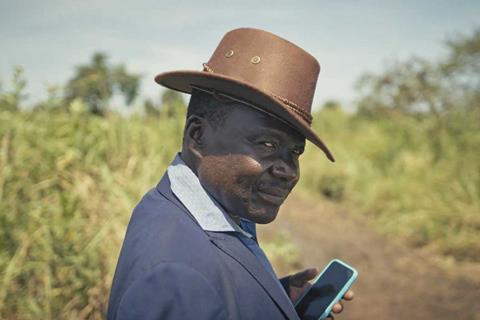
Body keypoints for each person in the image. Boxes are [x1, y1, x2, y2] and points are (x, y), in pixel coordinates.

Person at [107, 27, 354, 320]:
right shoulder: (175, 277)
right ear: (197, 136)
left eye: (295, 152)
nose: (289, 171)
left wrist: (276, 299)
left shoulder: (203, 210)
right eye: (267, 143)